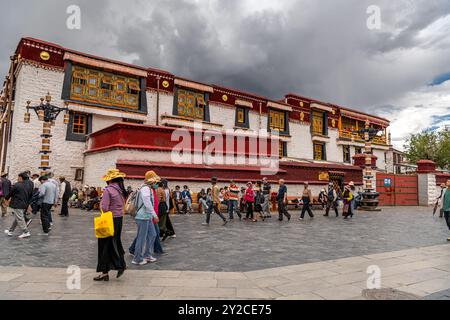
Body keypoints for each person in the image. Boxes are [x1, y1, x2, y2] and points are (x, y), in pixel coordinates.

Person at [94, 169, 128, 281]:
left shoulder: (108, 190)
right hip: (119, 220)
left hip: (109, 220)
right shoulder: (121, 190)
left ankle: (118, 266)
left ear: (110, 180)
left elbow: (104, 207)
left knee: (104, 245)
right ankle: (109, 271)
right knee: (115, 242)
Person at [129, 170, 160, 266]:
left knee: (152, 234)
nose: (157, 184)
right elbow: (147, 203)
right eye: (156, 182)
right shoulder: (145, 189)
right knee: (141, 238)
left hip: (147, 216)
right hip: (142, 217)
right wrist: (154, 215)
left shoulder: (148, 188)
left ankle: (147, 254)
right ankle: (137, 258)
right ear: (152, 181)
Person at [3, 172, 33, 239]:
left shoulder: (17, 185)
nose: (17, 178)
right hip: (25, 203)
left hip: (17, 204)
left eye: (18, 177)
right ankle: (10, 231)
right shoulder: (30, 184)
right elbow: (31, 194)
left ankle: (26, 232)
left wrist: (6, 199)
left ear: (21, 177)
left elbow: (11, 193)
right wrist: (29, 204)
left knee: (19, 218)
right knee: (18, 218)